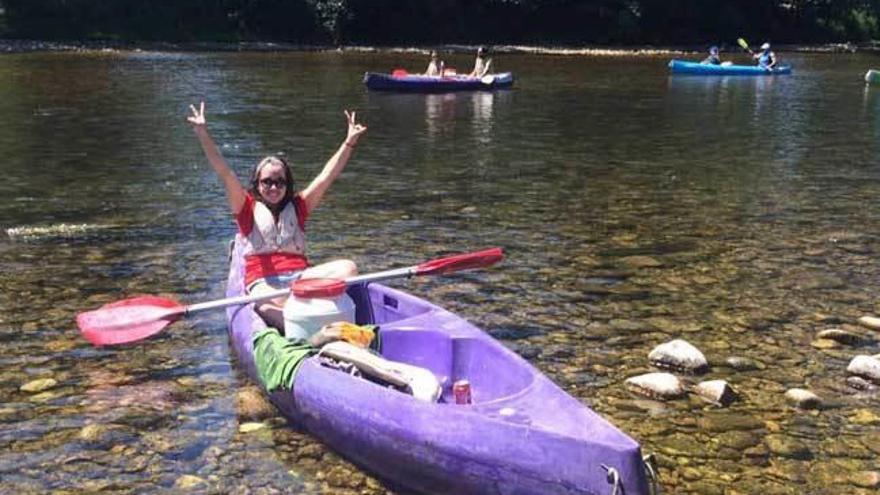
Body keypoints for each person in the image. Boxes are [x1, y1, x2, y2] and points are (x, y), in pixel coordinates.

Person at [187, 101, 367, 334]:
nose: (274, 187)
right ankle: (303, 327)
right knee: (263, 303)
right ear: (257, 184)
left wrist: (349, 141)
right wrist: (203, 134)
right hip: (265, 285)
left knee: (349, 268)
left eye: (280, 182)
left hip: (301, 280)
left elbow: (326, 177)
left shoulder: (300, 206)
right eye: (267, 182)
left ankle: (308, 314)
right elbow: (224, 172)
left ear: (287, 184)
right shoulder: (245, 207)